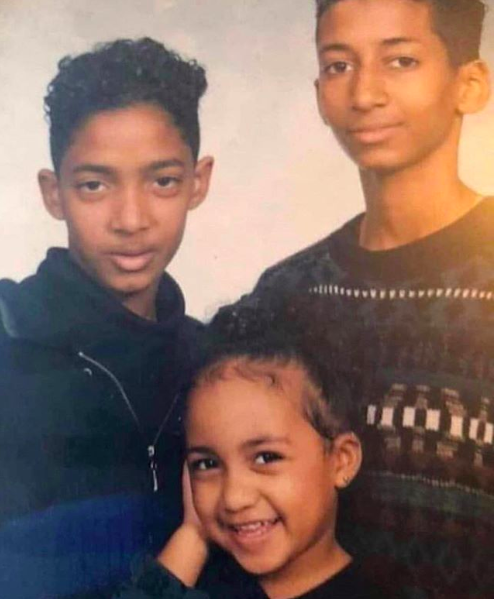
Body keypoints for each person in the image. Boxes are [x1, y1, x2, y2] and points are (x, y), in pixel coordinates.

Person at [213, 1, 493, 597]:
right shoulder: (288, 294)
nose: (365, 92)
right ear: (318, 92)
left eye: (401, 60)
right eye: (340, 65)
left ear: (469, 85)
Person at [0, 38, 213, 598]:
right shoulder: (7, 338)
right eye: (95, 185)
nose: (131, 219)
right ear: (54, 193)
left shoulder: (214, 364)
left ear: (199, 182)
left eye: (162, 181)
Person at [116, 306, 391, 599]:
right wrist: (193, 536)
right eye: (207, 463)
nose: (234, 498)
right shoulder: (192, 582)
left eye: (266, 457)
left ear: (341, 460)